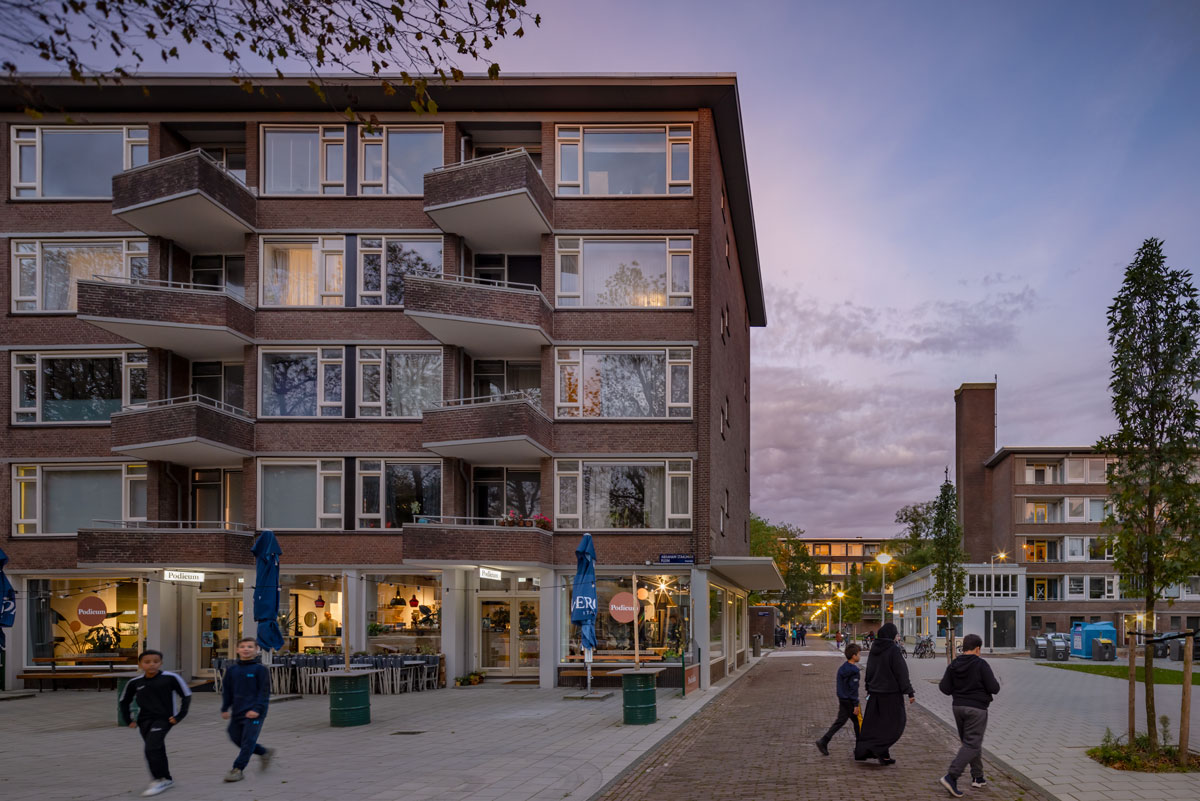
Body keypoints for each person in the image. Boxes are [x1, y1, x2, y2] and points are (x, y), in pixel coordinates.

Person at [119, 649, 192, 797]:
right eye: (147, 662)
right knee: (157, 749)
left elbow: (186, 695)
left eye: (155, 662)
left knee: (151, 748)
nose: (151, 665)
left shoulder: (170, 678)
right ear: (140, 664)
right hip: (144, 721)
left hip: (164, 719)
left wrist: (179, 716)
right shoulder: (135, 682)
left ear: (161, 663)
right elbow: (123, 701)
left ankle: (158, 780)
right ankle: (167, 778)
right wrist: (128, 720)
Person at [938, 633, 1000, 798]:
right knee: (972, 744)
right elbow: (994, 687)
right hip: (977, 709)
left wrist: (958, 691)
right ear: (977, 648)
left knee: (971, 743)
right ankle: (951, 776)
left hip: (958, 707)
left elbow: (944, 688)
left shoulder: (954, 664)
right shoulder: (981, 664)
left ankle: (978, 777)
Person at [853, 622, 914, 765]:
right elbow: (901, 672)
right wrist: (909, 691)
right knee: (895, 725)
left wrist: (869, 686)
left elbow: (870, 670)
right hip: (891, 694)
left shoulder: (875, 648)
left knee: (876, 725)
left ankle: (882, 755)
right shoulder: (893, 649)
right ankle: (876, 748)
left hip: (875, 693)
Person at [221, 637, 275, 782]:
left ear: (256, 650)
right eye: (243, 646)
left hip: (255, 713)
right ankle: (264, 752)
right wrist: (225, 708)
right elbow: (227, 691)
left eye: (250, 647)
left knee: (248, 741)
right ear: (237, 650)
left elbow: (264, 692)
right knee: (234, 736)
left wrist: (257, 709)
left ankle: (237, 769)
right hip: (238, 711)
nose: (246, 649)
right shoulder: (232, 670)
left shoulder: (260, 670)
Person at [815, 643, 861, 755]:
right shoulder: (854, 671)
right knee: (859, 723)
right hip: (850, 700)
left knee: (841, 721)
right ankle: (860, 748)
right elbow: (853, 689)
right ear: (854, 656)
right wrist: (855, 704)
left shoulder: (842, 669)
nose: (860, 656)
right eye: (859, 654)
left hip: (842, 699)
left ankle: (824, 740)